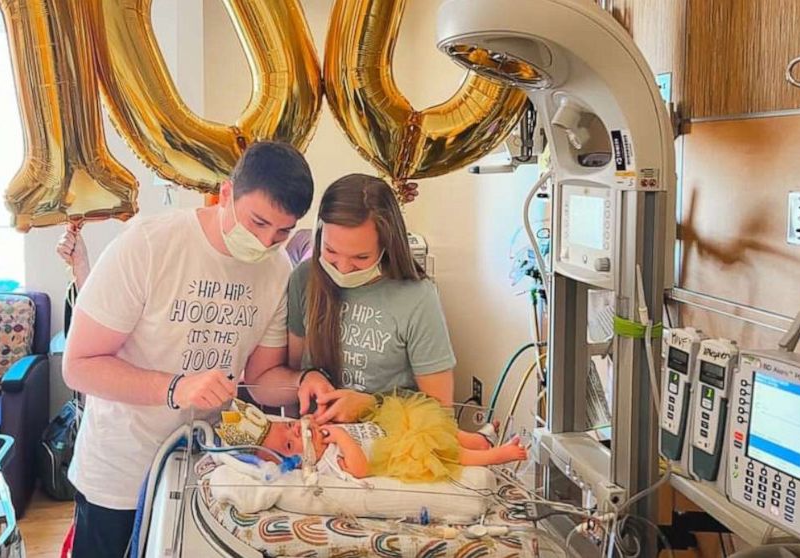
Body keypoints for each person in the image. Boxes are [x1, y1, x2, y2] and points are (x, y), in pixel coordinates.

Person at [62, 141, 328, 558]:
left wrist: (304, 383)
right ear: (226, 194)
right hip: (119, 476)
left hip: (205, 471)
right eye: (257, 223)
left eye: (282, 232)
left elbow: (260, 381)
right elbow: (79, 366)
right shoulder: (150, 245)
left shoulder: (278, 271)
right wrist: (176, 388)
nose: (264, 242)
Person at [287, 174, 456, 424]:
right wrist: (305, 379)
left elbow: (441, 410)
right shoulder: (304, 278)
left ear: (387, 247)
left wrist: (373, 406)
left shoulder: (417, 297)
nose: (343, 268)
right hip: (318, 439)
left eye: (361, 258)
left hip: (390, 444)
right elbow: (290, 374)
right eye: (331, 251)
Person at [216, 396, 527, 484]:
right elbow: (360, 469)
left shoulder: (319, 430)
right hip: (401, 452)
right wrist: (339, 437)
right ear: (297, 462)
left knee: (442, 428)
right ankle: (499, 455)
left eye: (286, 428)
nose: (294, 432)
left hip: (395, 428)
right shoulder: (325, 463)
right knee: (448, 455)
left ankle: (481, 438)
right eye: (287, 445)